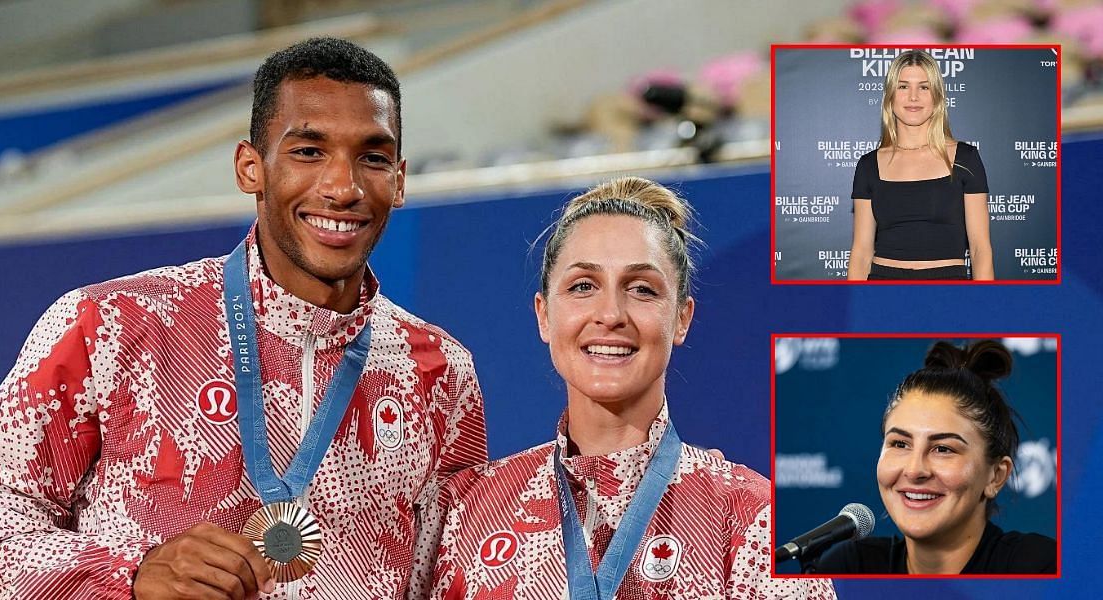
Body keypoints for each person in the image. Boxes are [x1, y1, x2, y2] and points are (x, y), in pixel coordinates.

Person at [0, 38, 487, 600]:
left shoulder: (438, 374)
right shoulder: (114, 324)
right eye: (308, 151)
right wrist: (131, 575)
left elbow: (449, 582)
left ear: (401, 179)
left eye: (373, 157)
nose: (343, 186)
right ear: (250, 168)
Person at [425, 177, 836, 598]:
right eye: (583, 286)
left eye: (642, 289)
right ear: (544, 314)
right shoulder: (468, 510)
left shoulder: (750, 517)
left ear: (681, 318)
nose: (610, 314)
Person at [813, 340, 1055, 574]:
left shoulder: (1040, 567)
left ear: (996, 476)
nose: (914, 470)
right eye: (900, 443)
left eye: (943, 449)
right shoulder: (849, 568)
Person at [847, 49, 993, 281]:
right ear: (890, 96)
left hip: (947, 288)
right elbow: (861, 252)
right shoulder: (868, 165)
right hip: (884, 286)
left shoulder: (965, 158)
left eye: (924, 87)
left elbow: (980, 250)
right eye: (903, 86)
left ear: (936, 96)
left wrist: (985, 305)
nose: (913, 97)